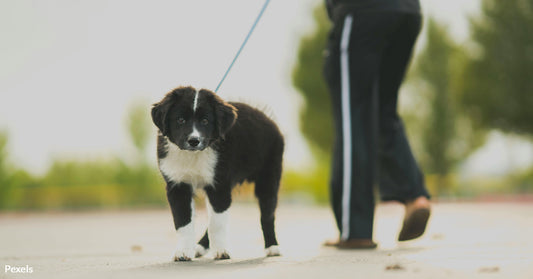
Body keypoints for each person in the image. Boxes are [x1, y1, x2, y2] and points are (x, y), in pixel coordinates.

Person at [323, 0, 431, 249]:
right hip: (407, 12)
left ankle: (356, 229)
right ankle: (415, 196)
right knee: (383, 111)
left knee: (353, 117)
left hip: (362, 12)